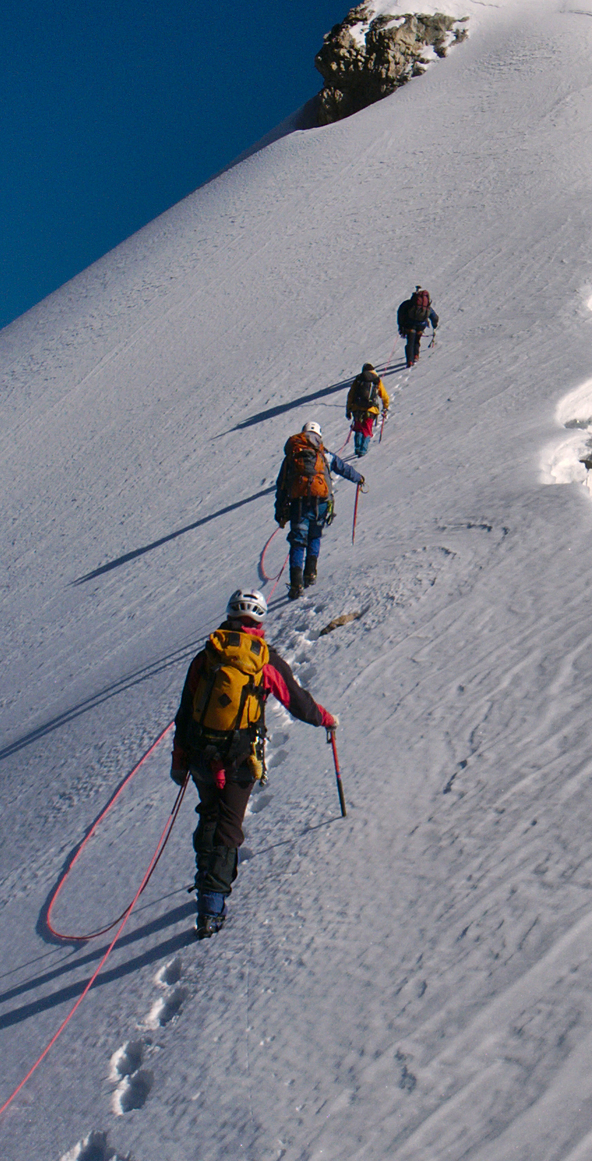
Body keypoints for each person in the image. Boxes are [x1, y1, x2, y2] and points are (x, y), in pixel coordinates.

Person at [171, 588, 337, 937]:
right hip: (239, 758)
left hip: (201, 754)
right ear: (259, 620)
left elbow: (186, 711)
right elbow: (296, 702)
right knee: (228, 828)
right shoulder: (264, 659)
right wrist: (326, 719)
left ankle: (208, 881)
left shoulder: (207, 655)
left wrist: (179, 759)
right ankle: (212, 906)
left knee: (210, 814)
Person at [274, 421, 364, 600]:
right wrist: (358, 478)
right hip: (322, 502)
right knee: (315, 535)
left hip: (299, 504)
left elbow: (282, 485)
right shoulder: (323, 453)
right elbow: (342, 467)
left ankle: (296, 584)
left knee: (298, 542)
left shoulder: (292, 456)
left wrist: (280, 510)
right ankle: (311, 573)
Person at [344, 362, 391, 458]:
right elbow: (385, 396)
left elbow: (351, 395)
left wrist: (349, 409)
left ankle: (357, 448)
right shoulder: (376, 380)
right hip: (371, 409)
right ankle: (363, 450)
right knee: (366, 429)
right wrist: (385, 407)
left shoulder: (358, 379)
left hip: (357, 408)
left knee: (358, 428)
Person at [396, 285, 439, 366]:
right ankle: (416, 355)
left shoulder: (408, 304)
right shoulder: (426, 306)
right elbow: (434, 317)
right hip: (421, 326)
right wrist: (434, 324)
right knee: (417, 341)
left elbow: (401, 313)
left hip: (409, 325)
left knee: (410, 342)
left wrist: (401, 326)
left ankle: (409, 360)